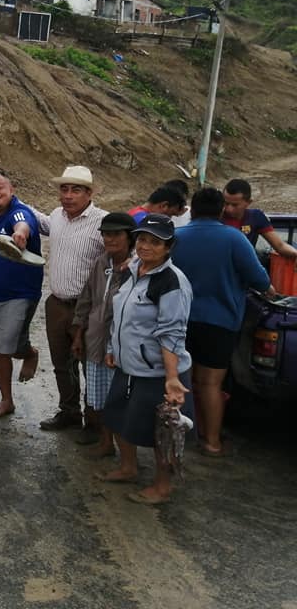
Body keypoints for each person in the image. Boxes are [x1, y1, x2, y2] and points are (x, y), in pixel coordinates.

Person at [171, 187, 272, 457]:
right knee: (210, 384)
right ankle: (212, 443)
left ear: (193, 209)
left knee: (181, 380)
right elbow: (260, 280)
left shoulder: (176, 237)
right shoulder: (234, 238)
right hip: (220, 323)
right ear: (221, 210)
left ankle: (180, 438)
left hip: (179, 321)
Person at [101, 214, 194, 505]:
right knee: (117, 414)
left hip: (157, 371)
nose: (145, 246)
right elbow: (121, 314)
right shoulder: (132, 269)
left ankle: (162, 486)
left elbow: (172, 333)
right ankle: (128, 467)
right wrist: (112, 347)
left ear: (169, 247)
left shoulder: (171, 282)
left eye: (155, 242)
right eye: (142, 239)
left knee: (161, 431)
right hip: (127, 364)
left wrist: (172, 377)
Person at [35, 165, 108, 434]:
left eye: (75, 190)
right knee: (62, 364)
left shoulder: (102, 222)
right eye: (64, 189)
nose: (68, 195)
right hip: (56, 303)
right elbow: (37, 219)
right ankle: (69, 412)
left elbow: (124, 253)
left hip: (88, 308)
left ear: (89, 193)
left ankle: (95, 422)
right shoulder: (56, 216)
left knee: (92, 366)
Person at [0, 171, 43, 420]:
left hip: (20, 293)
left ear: (12, 189)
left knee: (8, 346)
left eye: (0, 188)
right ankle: (7, 399)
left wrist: (20, 234)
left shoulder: (19, 212)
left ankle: (29, 353)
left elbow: (22, 223)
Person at [71, 212, 137, 457]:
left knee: (120, 400)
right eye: (106, 234)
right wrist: (79, 334)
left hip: (121, 347)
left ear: (130, 237)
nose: (110, 239)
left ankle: (128, 459)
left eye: (116, 234)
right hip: (95, 342)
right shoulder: (101, 262)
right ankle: (106, 443)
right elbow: (86, 300)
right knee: (99, 398)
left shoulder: (138, 267)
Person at [221, 178, 297, 259]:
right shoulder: (215, 216)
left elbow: (280, 246)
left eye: (235, 205)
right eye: (226, 203)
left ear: (248, 202)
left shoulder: (256, 217)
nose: (229, 209)